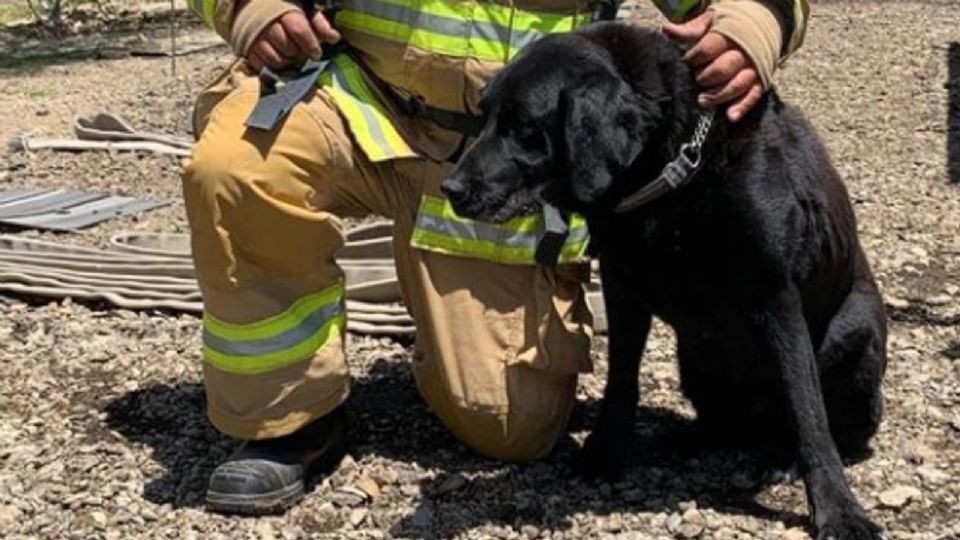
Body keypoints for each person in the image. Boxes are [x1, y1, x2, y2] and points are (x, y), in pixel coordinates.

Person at [183, 0, 808, 515]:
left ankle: (435, 313)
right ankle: (287, 419)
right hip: (354, 106)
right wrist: (253, 10)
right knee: (234, 171)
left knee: (511, 428)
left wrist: (750, 29)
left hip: (507, 156)